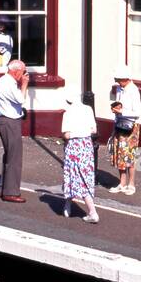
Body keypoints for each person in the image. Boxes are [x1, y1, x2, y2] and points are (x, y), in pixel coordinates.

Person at [0, 58, 29, 202]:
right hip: (9, 122)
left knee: (9, 155)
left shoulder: (4, 81)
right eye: (23, 71)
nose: (24, 74)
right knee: (14, 157)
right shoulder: (8, 83)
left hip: (6, 120)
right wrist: (24, 84)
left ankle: (5, 188)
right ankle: (11, 192)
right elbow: (21, 99)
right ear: (16, 72)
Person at [61, 93, 100, 223]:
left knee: (71, 175)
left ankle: (70, 206)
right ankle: (87, 210)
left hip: (73, 146)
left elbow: (66, 135)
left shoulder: (67, 113)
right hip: (86, 146)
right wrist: (84, 132)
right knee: (85, 176)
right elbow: (94, 130)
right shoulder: (88, 109)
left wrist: (75, 133)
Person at [108, 67, 141, 195]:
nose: (117, 82)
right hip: (119, 124)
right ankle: (122, 183)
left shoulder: (134, 90)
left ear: (126, 79)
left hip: (131, 126)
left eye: (119, 80)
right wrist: (116, 110)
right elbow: (119, 105)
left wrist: (122, 111)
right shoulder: (119, 89)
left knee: (129, 155)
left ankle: (131, 184)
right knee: (119, 154)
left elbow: (137, 112)